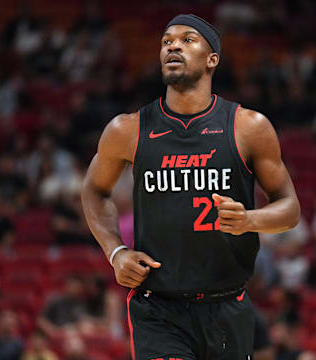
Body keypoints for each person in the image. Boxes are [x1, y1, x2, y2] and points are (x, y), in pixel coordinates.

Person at [81, 13, 300, 360]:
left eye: (187, 40)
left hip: (227, 304)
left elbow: (290, 207)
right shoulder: (127, 129)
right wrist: (115, 252)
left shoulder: (249, 127)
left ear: (212, 59)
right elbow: (94, 190)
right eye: (167, 41)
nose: (173, 46)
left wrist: (249, 220)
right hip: (158, 309)